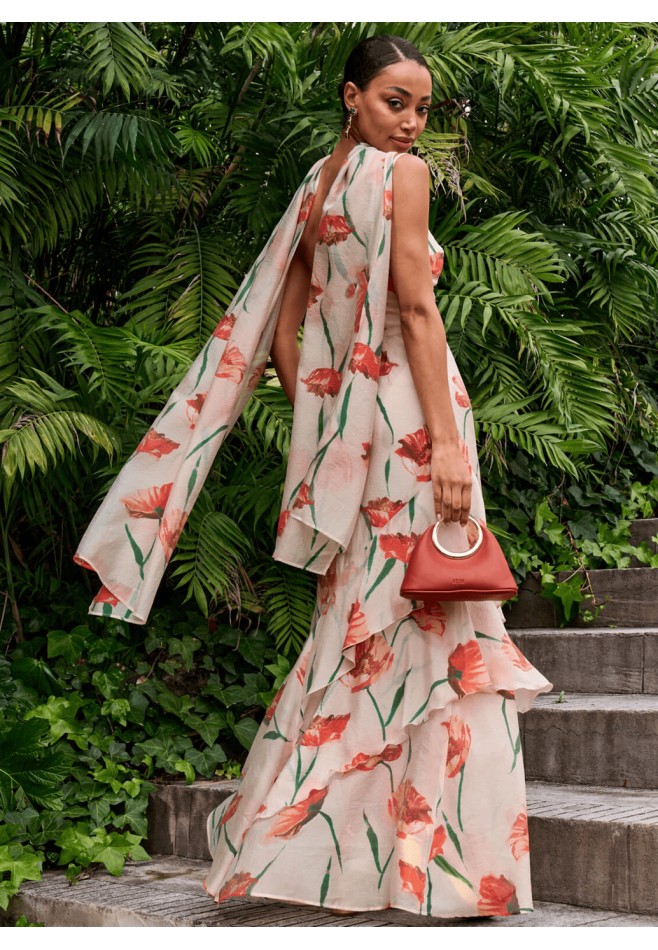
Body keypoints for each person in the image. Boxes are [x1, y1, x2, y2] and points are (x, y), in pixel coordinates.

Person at [75, 34, 553, 919]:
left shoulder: (317, 185)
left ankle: (311, 846)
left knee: (362, 637)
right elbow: (415, 309)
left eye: (421, 107)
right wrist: (444, 449)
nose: (410, 124)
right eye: (393, 102)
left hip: (359, 447)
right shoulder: (398, 181)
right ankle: (434, 872)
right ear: (351, 96)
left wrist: (340, 429)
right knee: (432, 631)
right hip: (415, 431)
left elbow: (290, 342)